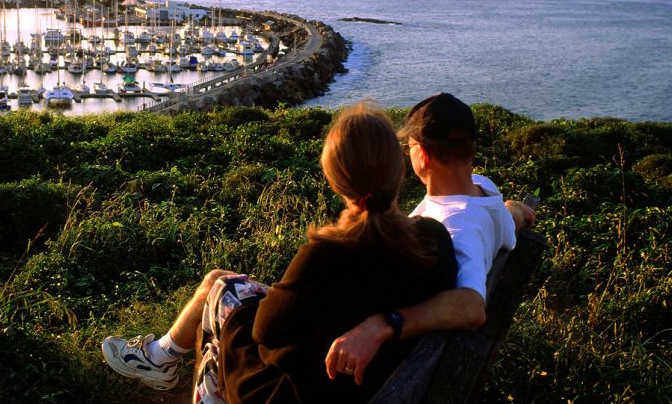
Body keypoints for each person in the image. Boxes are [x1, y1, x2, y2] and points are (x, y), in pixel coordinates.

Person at [102, 102, 458, 401]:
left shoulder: (326, 255)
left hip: (307, 394)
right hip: (378, 385)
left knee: (222, 296)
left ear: (334, 179)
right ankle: (159, 358)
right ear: (398, 171)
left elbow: (263, 330)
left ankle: (160, 360)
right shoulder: (433, 240)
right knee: (223, 287)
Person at [322, 92, 536, 382]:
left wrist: (384, 324)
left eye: (408, 145)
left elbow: (472, 307)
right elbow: (506, 222)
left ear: (422, 154)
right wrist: (515, 210)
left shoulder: (454, 227)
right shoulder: (483, 190)